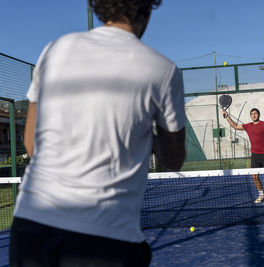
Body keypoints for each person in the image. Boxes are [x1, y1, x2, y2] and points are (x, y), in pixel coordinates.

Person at [10, 0, 186, 266]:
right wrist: (144, 134)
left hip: (31, 227)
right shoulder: (164, 70)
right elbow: (173, 160)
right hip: (106, 236)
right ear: (148, 8)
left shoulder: (55, 50)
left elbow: (32, 144)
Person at [222, 108, 264, 203]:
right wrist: (227, 116)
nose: (253, 115)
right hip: (255, 155)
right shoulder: (248, 126)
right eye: (252, 114)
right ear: (250, 116)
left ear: (258, 115)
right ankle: (261, 194)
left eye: (255, 113)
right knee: (254, 176)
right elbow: (235, 126)